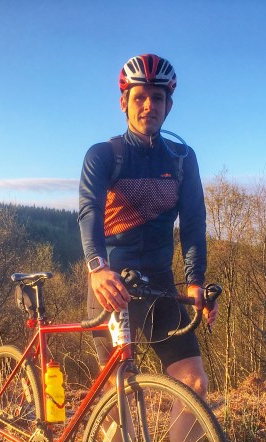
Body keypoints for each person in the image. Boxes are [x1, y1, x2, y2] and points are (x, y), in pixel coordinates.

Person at [78, 53, 218, 405]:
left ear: (168, 105)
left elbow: (193, 222)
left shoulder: (182, 159)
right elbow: (89, 210)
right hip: (112, 281)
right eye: (140, 97)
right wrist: (97, 268)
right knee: (118, 391)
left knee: (193, 383)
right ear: (123, 102)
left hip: (158, 282)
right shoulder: (104, 155)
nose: (148, 106)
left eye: (157, 98)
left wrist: (195, 280)